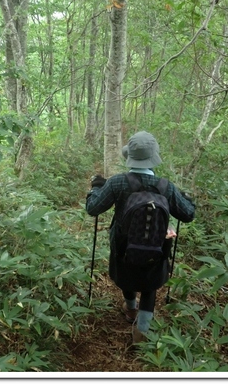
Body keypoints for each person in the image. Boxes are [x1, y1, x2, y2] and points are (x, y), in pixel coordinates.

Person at [85, 131, 195, 344]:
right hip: (157, 246)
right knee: (149, 284)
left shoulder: (117, 182)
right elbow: (188, 214)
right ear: (154, 157)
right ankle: (141, 333)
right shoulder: (166, 187)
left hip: (122, 245)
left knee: (126, 271)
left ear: (130, 157)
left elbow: (93, 208)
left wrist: (96, 188)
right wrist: (187, 198)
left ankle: (130, 308)